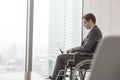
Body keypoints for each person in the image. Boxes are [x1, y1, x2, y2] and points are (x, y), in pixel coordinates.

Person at [49, 13, 102, 80]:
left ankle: (56, 78)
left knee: (60, 57)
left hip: (87, 59)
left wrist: (72, 50)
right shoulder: (94, 31)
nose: (84, 25)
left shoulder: (94, 31)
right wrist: (74, 51)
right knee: (63, 56)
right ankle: (58, 77)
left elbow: (86, 47)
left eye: (85, 22)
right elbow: (86, 47)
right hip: (86, 56)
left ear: (90, 21)